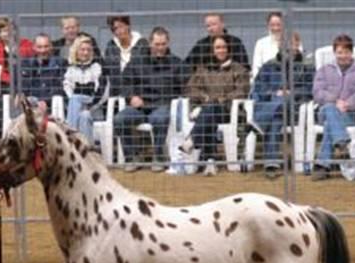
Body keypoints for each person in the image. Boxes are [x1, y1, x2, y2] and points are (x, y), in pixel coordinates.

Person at [114, 26, 189, 173]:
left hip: (162, 105)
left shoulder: (176, 63)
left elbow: (185, 87)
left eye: (163, 44)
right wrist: (131, 96)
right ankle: (132, 157)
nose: (160, 48)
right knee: (119, 119)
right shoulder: (137, 61)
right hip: (139, 107)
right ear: (150, 43)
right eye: (157, 44)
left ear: (168, 43)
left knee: (161, 118)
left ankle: (159, 157)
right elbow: (123, 82)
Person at [180, 34, 250, 176]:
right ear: (212, 50)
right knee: (209, 115)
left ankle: (193, 140)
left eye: (224, 47)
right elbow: (190, 88)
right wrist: (204, 97)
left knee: (211, 110)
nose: (221, 50)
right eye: (218, 47)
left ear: (229, 49)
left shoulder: (238, 69)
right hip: (207, 110)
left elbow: (241, 91)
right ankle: (210, 161)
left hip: (228, 111)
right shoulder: (203, 69)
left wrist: (221, 99)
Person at [251, 32, 315, 179]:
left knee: (284, 100)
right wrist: (274, 93)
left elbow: (311, 89)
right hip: (276, 108)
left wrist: (292, 92)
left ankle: (258, 122)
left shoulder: (307, 66)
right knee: (275, 119)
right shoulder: (269, 65)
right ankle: (271, 164)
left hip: (297, 109)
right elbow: (258, 88)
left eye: (291, 42)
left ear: (298, 44)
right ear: (279, 45)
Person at [310, 34, 355, 181]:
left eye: (346, 52)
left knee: (330, 124)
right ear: (335, 53)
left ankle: (323, 165)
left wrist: (348, 103)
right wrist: (335, 101)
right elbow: (317, 92)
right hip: (325, 111)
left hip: (349, 113)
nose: (343, 56)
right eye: (340, 52)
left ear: (351, 53)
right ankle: (341, 143)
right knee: (329, 108)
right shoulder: (324, 70)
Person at [0, 18, 34, 132]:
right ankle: (1, 131)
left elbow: (31, 65)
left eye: (10, 30)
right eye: (4, 31)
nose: (7, 33)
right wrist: (9, 80)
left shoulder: (26, 45)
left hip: (24, 82)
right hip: (3, 84)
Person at [63, 36, 107, 142]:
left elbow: (103, 94)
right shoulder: (70, 69)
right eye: (82, 50)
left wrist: (89, 106)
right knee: (84, 115)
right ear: (76, 51)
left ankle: (70, 137)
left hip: (94, 108)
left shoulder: (97, 68)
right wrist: (79, 107)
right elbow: (65, 90)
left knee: (76, 99)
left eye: (88, 50)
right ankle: (88, 150)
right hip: (76, 110)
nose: (86, 53)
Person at [102, 15, 150, 98]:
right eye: (115, 29)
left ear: (128, 25)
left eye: (121, 26)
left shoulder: (142, 44)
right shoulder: (111, 46)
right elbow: (108, 71)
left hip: (138, 93)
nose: (119, 31)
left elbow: (145, 70)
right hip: (117, 93)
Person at [185, 13, 250, 73]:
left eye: (213, 24)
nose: (210, 29)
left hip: (230, 81)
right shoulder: (201, 44)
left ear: (222, 24)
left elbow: (243, 65)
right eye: (208, 26)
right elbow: (188, 65)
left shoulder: (235, 42)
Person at [20, 33, 67, 113]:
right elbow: (23, 87)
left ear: (51, 46)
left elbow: (61, 87)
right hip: (30, 107)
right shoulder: (26, 64)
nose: (43, 50)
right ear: (34, 47)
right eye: (39, 47)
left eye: (46, 46)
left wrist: (45, 101)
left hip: (53, 106)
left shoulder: (60, 63)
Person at [251, 12, 287, 80]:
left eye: (278, 24)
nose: (276, 28)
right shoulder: (261, 43)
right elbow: (256, 67)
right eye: (272, 25)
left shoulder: (292, 42)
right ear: (268, 26)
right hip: (266, 83)